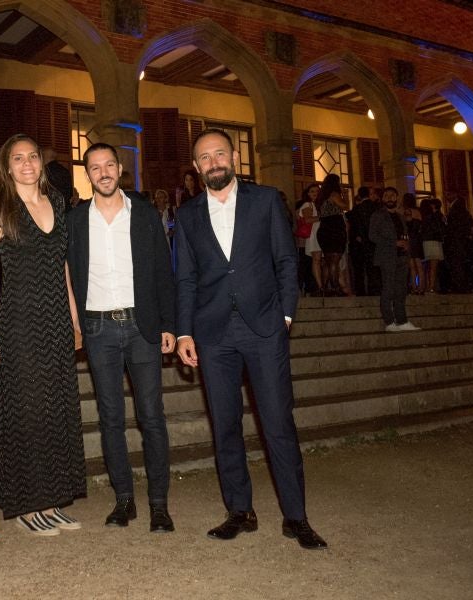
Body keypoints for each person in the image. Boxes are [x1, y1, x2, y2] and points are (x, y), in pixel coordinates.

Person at [174, 129, 327, 550]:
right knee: (225, 426)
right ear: (197, 167)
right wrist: (184, 331)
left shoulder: (266, 200)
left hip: (264, 328)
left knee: (278, 423)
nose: (214, 162)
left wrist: (285, 315)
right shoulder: (187, 215)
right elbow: (185, 278)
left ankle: (296, 517)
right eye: (205, 157)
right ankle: (239, 511)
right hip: (213, 333)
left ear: (235, 157)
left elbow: (286, 260)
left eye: (220, 154)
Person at [0, 133, 86, 536]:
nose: (27, 164)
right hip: (19, 321)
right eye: (18, 158)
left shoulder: (56, 202)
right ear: (7, 167)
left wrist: (74, 319)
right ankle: (27, 504)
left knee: (57, 408)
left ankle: (52, 499)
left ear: (41, 162)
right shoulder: (0, 206)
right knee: (26, 412)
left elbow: (63, 266)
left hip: (56, 319)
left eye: (33, 157)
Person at [67, 143, 177, 532]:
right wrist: (75, 322)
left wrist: (169, 324)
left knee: (152, 416)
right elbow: (67, 271)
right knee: (111, 417)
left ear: (119, 168)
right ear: (88, 175)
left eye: (109, 165)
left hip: (141, 326)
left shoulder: (144, 214)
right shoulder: (76, 220)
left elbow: (163, 270)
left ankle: (159, 505)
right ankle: (124, 500)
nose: (103, 172)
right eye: (95, 167)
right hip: (98, 329)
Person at [370, 187, 420, 332]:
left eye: (392, 195)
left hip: (402, 257)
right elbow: (372, 236)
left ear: (397, 198)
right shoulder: (378, 215)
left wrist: (407, 244)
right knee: (388, 288)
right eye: (386, 195)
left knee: (401, 290)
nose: (389, 198)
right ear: (382, 199)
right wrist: (394, 243)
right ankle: (389, 321)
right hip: (387, 256)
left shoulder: (400, 216)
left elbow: (405, 234)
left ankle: (402, 320)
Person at [315, 175, 348, 296]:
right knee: (334, 261)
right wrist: (344, 194)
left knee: (328, 262)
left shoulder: (321, 198)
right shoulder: (334, 194)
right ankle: (335, 288)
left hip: (324, 228)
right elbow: (345, 206)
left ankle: (325, 288)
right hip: (334, 228)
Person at [347, 186, 380, 296]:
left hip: (358, 243)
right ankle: (374, 290)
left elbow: (353, 226)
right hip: (373, 242)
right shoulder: (376, 208)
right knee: (373, 268)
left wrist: (357, 236)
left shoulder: (356, 209)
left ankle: (360, 291)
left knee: (359, 269)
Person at [297, 183, 323, 295]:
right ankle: (319, 287)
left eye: (317, 191)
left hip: (318, 234)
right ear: (307, 193)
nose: (315, 193)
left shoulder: (316, 205)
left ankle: (319, 286)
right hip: (313, 235)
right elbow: (307, 220)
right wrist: (323, 217)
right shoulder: (307, 204)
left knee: (318, 261)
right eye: (312, 191)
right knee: (316, 260)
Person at [420, 198, 445, 294]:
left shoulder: (425, 216)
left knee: (426, 267)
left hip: (426, 241)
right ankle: (431, 287)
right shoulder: (436, 216)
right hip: (434, 241)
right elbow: (440, 228)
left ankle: (426, 286)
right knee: (433, 267)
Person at [43, 147, 74, 211]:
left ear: (45, 157)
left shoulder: (45, 171)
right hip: (66, 209)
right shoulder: (65, 171)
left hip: (49, 210)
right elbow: (70, 193)